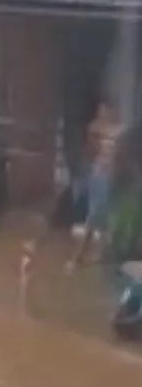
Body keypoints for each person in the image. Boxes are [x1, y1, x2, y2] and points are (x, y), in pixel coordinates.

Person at [67, 110, 115, 272]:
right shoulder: (97, 137)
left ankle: (87, 258)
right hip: (99, 183)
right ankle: (78, 258)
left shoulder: (110, 139)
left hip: (105, 184)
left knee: (100, 225)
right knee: (93, 223)